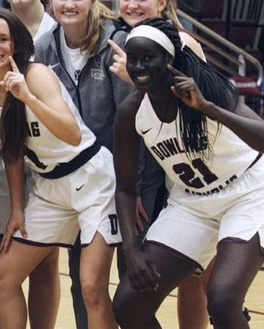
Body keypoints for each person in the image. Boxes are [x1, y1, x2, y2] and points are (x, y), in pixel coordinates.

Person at [112, 17, 264, 329]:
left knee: (222, 299)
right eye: (133, 58)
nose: (138, 66)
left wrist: (208, 107)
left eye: (148, 58)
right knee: (129, 304)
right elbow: (125, 188)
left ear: (169, 60)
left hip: (248, 192)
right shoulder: (131, 111)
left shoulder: (207, 88)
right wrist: (131, 248)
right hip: (192, 202)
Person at [0, 8, 120, 329]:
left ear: (16, 44)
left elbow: (71, 134)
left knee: (91, 287)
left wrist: (28, 97)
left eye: (3, 39)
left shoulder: (37, 74)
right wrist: (17, 208)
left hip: (91, 180)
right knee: (3, 276)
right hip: (49, 188)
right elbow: (13, 152)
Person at [110, 0, 213, 329]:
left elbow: (199, 112)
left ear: (163, 1)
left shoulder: (184, 44)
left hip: (192, 177)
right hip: (146, 175)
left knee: (193, 280)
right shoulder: (120, 40)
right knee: (140, 285)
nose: (133, 5)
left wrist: (138, 84)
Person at [33, 0, 132, 329]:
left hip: (116, 176)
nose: (69, 4)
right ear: (50, 1)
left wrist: (128, 186)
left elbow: (128, 119)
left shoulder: (113, 42)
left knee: (128, 280)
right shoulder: (44, 46)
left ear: (94, 0)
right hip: (74, 180)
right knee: (82, 281)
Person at [0, 0, 60, 329]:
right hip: (4, 156)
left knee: (47, 264)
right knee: (4, 257)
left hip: (52, 161)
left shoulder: (61, 30)